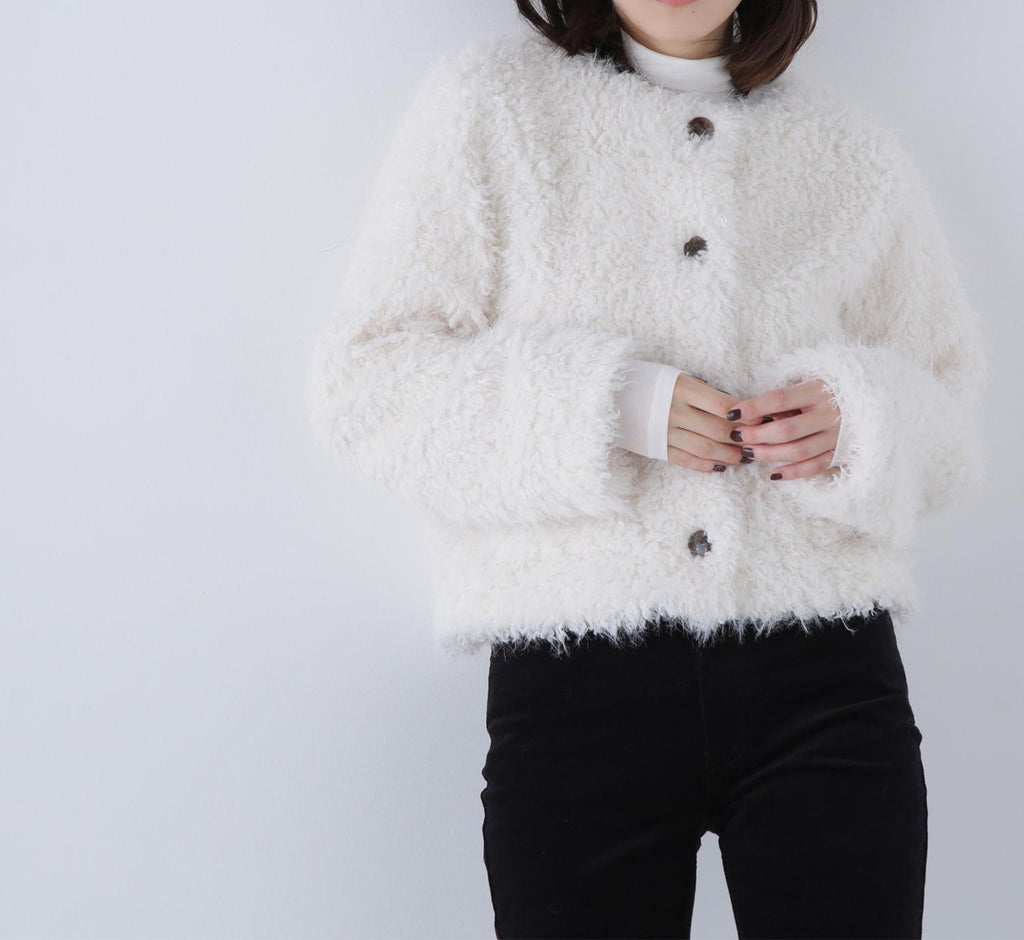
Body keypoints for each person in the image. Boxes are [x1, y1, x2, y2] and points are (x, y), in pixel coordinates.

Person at [305, 0, 988, 936]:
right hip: (576, 682)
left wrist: (859, 417)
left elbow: (949, 405)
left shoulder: (852, 153)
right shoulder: (493, 109)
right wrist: (609, 404)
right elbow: (369, 384)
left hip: (824, 680)